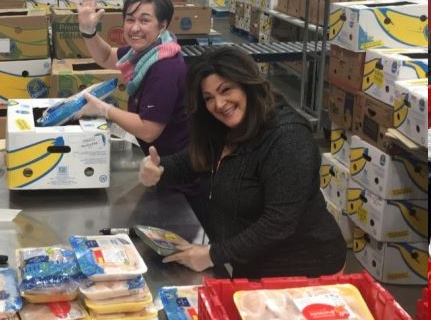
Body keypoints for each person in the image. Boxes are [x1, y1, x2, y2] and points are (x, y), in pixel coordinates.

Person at [139, 46, 347, 278]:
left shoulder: (287, 137)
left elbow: (278, 223)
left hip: (304, 269)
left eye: (226, 89)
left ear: (247, 84)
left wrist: (211, 255)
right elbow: (192, 161)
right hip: (253, 264)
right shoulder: (224, 128)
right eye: (209, 98)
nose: (219, 103)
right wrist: (158, 169)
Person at [76, 0, 209, 228]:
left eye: (145, 20)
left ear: (163, 25)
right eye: (130, 19)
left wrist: (104, 110)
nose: (135, 27)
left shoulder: (164, 67)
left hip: (180, 178)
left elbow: (148, 130)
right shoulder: (145, 53)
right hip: (157, 168)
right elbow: (106, 56)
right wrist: (88, 31)